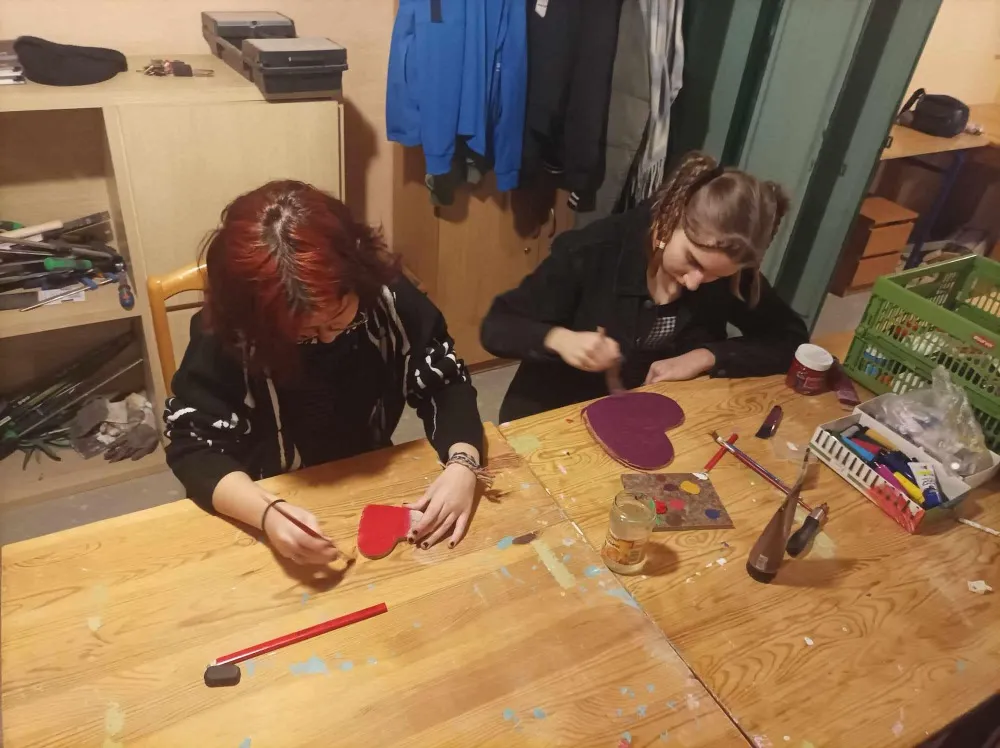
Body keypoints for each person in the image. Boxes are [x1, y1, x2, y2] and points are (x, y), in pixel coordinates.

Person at [164, 181, 484, 566]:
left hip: (365, 472)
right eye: (305, 333)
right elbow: (194, 444)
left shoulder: (386, 300)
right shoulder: (229, 334)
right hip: (260, 490)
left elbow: (444, 381)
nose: (328, 338)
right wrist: (266, 513)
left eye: (338, 318)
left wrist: (463, 464)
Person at [480, 151, 809, 422]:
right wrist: (559, 339)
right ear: (669, 218)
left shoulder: (729, 272)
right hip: (556, 415)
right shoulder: (591, 251)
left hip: (644, 417)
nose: (696, 281)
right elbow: (497, 325)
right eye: (692, 261)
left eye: (716, 276)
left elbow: (789, 337)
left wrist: (706, 356)